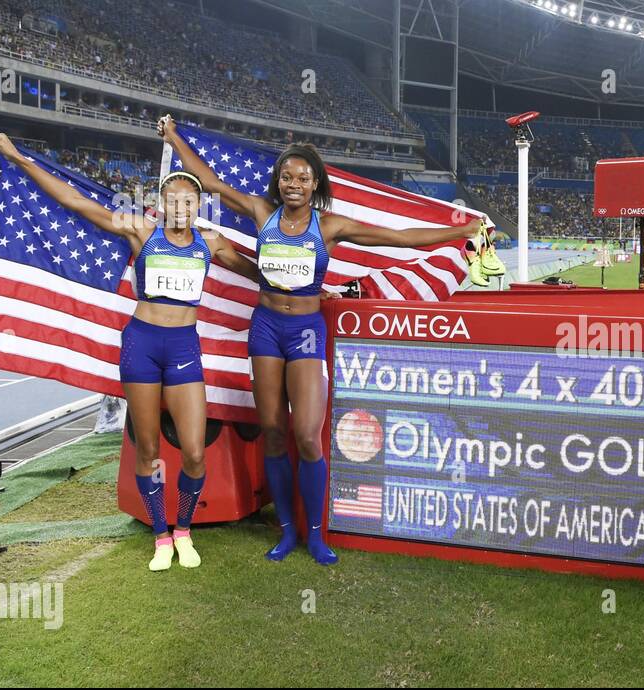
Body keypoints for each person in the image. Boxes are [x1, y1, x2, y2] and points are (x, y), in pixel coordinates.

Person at [160, 115, 484, 565]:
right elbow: (210, 182)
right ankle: (287, 532)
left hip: (307, 331)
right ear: (279, 182)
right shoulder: (261, 212)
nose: (294, 184)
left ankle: (315, 535)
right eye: (287, 177)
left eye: (303, 178)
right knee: (273, 432)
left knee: (308, 435)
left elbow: (398, 237)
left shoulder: (329, 226)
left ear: (315, 185)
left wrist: (461, 230)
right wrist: (174, 137)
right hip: (266, 329)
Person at [0, 133, 262, 572]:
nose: (181, 208)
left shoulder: (210, 243)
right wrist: (18, 157)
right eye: (172, 200)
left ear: (198, 206)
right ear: (161, 203)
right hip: (142, 346)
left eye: (189, 201)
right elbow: (77, 203)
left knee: (194, 451)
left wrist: (312, 289)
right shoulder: (141, 230)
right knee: (148, 447)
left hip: (184, 350)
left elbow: (261, 274)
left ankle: (184, 530)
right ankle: (160, 535)